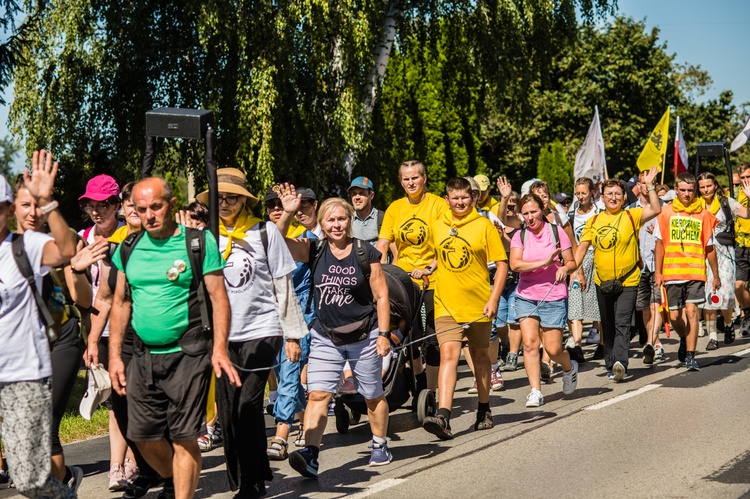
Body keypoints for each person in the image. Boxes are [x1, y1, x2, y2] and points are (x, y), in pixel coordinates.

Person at [108, 177, 240, 499]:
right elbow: (121, 303)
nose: (149, 215)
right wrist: (114, 356)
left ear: (172, 204)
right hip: (143, 357)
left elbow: (219, 298)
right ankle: (173, 478)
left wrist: (220, 348)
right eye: (142, 209)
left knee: (184, 437)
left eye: (156, 206)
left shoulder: (198, 242)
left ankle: (182, 492)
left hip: (189, 352)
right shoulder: (128, 248)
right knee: (141, 435)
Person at [196, 169, 308, 498]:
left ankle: (249, 484)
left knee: (248, 404)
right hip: (222, 335)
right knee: (229, 410)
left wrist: (291, 335)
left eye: (233, 197)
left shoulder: (264, 233)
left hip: (262, 330)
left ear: (244, 200)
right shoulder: (205, 238)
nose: (227, 203)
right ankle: (253, 469)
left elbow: (283, 285)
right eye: (220, 197)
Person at [282, 192, 392, 478]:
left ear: (349, 221)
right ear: (322, 223)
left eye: (341, 218)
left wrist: (383, 333)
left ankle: (379, 444)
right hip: (325, 336)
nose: (336, 224)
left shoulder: (365, 252)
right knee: (318, 394)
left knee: (371, 395)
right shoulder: (314, 249)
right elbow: (278, 243)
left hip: (364, 335)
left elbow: (381, 295)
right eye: (330, 220)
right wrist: (288, 213)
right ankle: (311, 454)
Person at [13, 175, 107, 494]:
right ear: (12, 208)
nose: (33, 212)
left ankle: (57, 486)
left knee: (47, 421)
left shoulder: (61, 243)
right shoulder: (7, 246)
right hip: (24, 346)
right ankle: (61, 481)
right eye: (26, 205)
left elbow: (82, 299)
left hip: (63, 337)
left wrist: (76, 269)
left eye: (37, 205)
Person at [0, 151, 77, 498]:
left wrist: (47, 203)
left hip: (22, 375)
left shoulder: (25, 246)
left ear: (6, 211)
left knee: (28, 478)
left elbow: (66, 250)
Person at [83, 181, 164, 499]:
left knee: (153, 410)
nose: (132, 210)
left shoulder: (162, 241)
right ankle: (147, 469)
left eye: (136, 205)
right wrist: (92, 340)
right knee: (123, 408)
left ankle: (169, 476)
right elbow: (103, 297)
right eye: (129, 205)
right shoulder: (114, 248)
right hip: (122, 339)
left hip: (156, 338)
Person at [421, 177, 507, 439]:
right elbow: (438, 254)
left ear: (473, 198)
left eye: (465, 197)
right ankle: (444, 416)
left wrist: (493, 299)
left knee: (481, 358)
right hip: (445, 303)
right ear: (447, 199)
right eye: (455, 198)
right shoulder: (438, 225)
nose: (460, 202)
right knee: (449, 354)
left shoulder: (484, 227)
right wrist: (429, 269)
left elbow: (501, 264)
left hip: (478, 305)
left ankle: (483, 409)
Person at [77, 173, 137, 491]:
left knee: (132, 398)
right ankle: (118, 465)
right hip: (100, 326)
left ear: (117, 205)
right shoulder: (83, 236)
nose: (96, 211)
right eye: (90, 204)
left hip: (134, 326)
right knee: (115, 398)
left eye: (102, 204)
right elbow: (91, 293)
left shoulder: (132, 235)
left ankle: (134, 460)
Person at [575, 167, 661, 381]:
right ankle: (610, 362)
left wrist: (649, 186)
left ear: (624, 197)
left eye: (617, 194)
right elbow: (582, 248)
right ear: (602, 197)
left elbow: (656, 209)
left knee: (623, 321)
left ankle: (621, 362)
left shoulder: (632, 215)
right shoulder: (593, 222)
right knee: (608, 324)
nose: (613, 198)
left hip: (629, 279)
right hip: (601, 281)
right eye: (609, 194)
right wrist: (573, 269)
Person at [376, 160, 449, 400]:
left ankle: (432, 390)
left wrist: (429, 267)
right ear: (401, 181)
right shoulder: (395, 208)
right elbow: (383, 243)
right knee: (410, 337)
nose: (411, 182)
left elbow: (445, 244)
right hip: (404, 279)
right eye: (406, 179)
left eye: (415, 178)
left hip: (433, 278)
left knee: (430, 336)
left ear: (424, 178)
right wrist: (375, 267)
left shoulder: (438, 205)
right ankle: (417, 380)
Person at [510, 193, 578, 407]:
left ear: (542, 210)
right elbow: (515, 265)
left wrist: (564, 269)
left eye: (534, 212)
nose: (530, 217)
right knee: (529, 344)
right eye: (526, 213)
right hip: (526, 296)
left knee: (553, 349)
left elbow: (572, 261)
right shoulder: (519, 236)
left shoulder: (556, 232)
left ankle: (569, 367)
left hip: (553, 295)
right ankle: (535, 391)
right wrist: (545, 262)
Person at [263, 185, 314, 457]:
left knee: (290, 370)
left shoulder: (304, 237)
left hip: (299, 313)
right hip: (269, 316)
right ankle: (306, 419)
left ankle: (281, 433)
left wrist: (285, 219)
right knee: (282, 373)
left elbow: (278, 243)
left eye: (280, 206)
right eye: (271, 206)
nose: (275, 210)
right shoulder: (259, 235)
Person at [654, 172, 720, 371]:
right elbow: (659, 244)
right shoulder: (665, 212)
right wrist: (658, 272)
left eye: (691, 190)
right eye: (683, 190)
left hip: (695, 272)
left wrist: (715, 275)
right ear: (676, 190)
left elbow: (710, 248)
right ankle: (683, 338)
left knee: (692, 311)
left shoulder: (703, 214)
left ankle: (691, 355)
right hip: (672, 272)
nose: (687, 194)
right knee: (674, 317)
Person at [696, 172, 750, 349]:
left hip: (724, 253)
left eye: (709, 186)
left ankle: (728, 324)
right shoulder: (696, 206)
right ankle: (712, 336)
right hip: (702, 255)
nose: (706, 190)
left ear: (715, 185)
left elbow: (747, 215)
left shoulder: (726, 203)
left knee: (725, 293)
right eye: (702, 187)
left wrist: (749, 197)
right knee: (707, 296)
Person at [629, 171, 665, 363]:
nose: (644, 187)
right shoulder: (631, 210)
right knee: (644, 309)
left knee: (655, 305)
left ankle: (651, 342)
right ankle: (655, 343)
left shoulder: (663, 208)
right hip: (639, 264)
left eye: (648, 183)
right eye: (641, 183)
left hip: (659, 265)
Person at [566, 178, 601, 364]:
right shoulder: (572, 215)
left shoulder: (599, 212)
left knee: (598, 303)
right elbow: (572, 242)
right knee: (575, 300)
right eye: (578, 193)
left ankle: (603, 343)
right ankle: (578, 345)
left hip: (597, 260)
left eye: (584, 193)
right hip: (578, 261)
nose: (580, 197)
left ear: (592, 192)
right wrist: (576, 269)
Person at [733, 163, 750, 337]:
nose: (745, 181)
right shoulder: (735, 194)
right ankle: (747, 312)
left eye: (748, 177)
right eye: (742, 178)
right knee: (738, 286)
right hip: (741, 245)